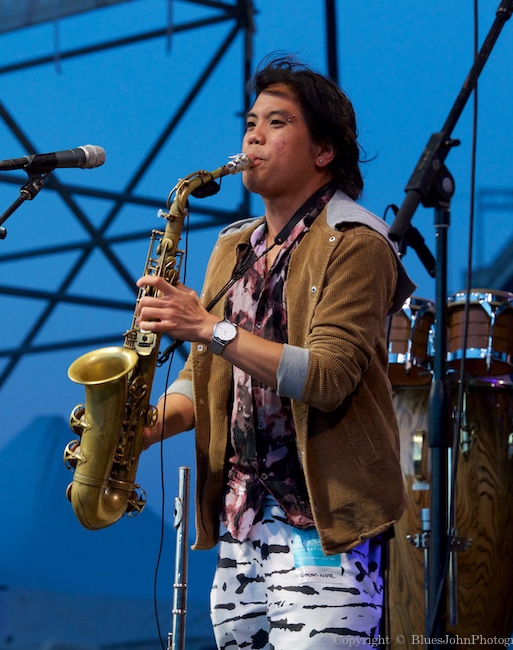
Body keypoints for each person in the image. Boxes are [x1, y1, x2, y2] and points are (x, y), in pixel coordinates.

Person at [135, 54, 416, 649]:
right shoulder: (232, 246)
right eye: (250, 122)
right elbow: (200, 377)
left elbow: (329, 375)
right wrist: (142, 427)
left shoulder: (358, 242)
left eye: (278, 122)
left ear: (324, 152)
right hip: (240, 524)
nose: (253, 136)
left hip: (323, 527)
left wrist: (209, 327)